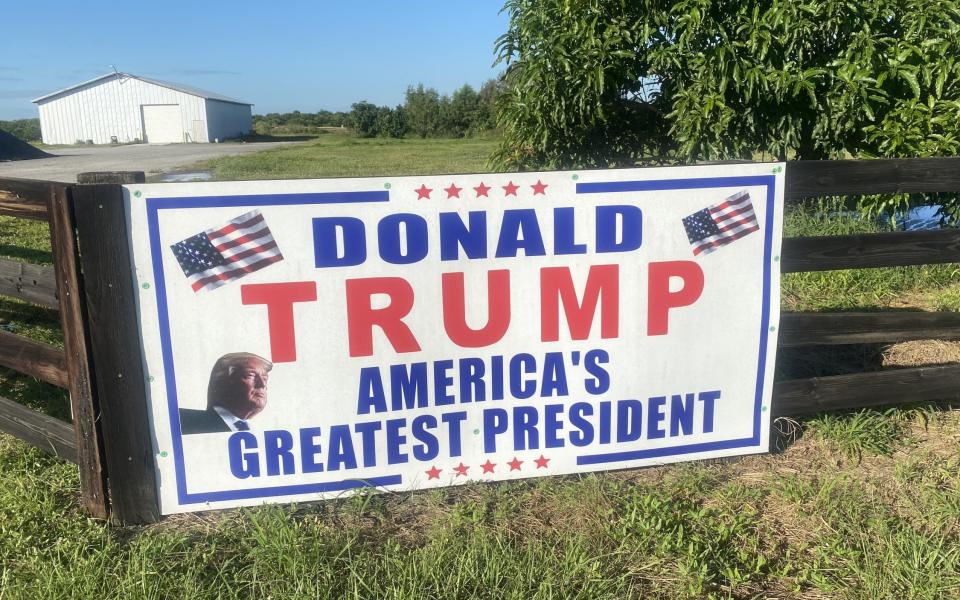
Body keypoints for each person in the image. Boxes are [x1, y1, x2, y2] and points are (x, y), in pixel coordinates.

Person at [179, 352, 272, 435]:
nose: (262, 384)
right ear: (222, 382)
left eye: (265, 378)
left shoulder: (261, 432)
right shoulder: (181, 421)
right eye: (250, 375)